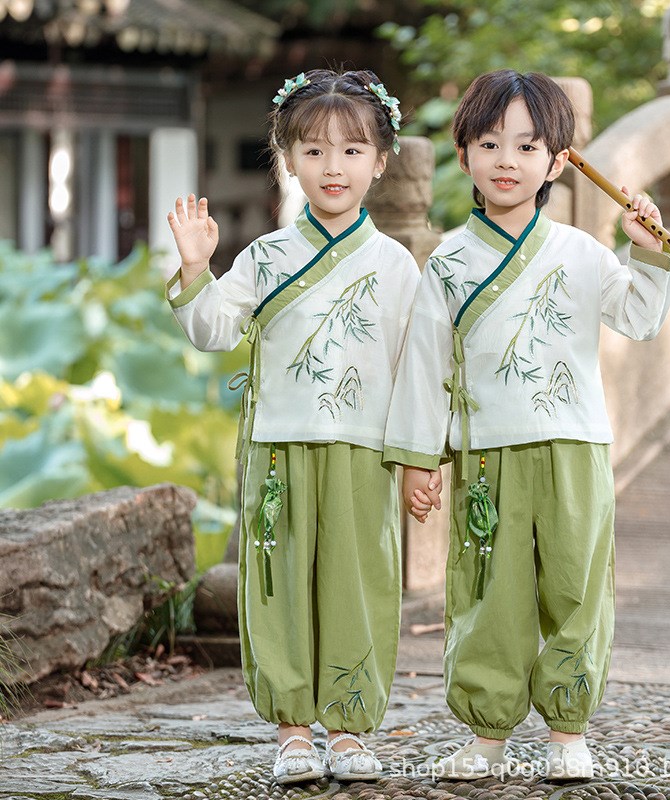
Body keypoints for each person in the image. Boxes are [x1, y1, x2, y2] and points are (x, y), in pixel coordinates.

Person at [383, 69, 670, 781]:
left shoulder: (580, 252)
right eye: (489, 143)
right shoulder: (450, 263)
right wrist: (420, 459)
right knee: (491, 591)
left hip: (575, 447)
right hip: (488, 454)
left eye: (526, 146)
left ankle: (568, 730)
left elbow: (639, 318)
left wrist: (646, 249)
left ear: (557, 161)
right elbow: (426, 365)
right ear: (464, 155)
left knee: (576, 587)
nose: (507, 161)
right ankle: (487, 735)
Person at [165, 69, 419, 785]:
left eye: (349, 151)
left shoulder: (397, 266)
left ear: (379, 159)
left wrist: (425, 458)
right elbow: (214, 329)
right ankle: (292, 731)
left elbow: (416, 369)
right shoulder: (266, 255)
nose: (331, 167)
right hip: (277, 447)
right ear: (287, 158)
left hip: (364, 451)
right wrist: (195, 267)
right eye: (312, 151)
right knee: (278, 583)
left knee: (358, 581)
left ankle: (347, 728)